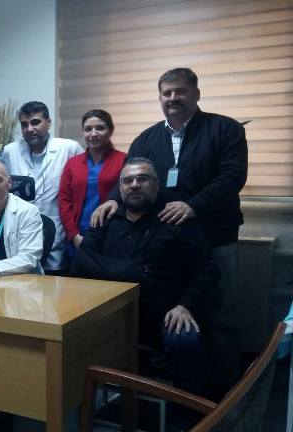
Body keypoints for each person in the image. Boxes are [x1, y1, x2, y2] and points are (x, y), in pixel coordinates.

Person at [91, 68, 247, 398]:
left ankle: (227, 391)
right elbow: (131, 177)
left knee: (220, 312)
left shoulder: (225, 129)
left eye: (180, 91)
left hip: (214, 235)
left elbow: (233, 177)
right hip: (165, 240)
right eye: (167, 93)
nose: (173, 98)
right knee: (175, 309)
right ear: (160, 97)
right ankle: (186, 388)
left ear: (196, 94)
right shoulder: (146, 139)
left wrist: (193, 206)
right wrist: (111, 200)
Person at [73, 159, 218, 397]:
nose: (134, 185)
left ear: (156, 184)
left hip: (165, 312)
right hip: (108, 312)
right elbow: (81, 262)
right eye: (128, 180)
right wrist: (137, 271)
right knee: (69, 337)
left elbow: (206, 270)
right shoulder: (107, 218)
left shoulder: (176, 218)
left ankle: (190, 411)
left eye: (142, 179)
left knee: (185, 341)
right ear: (120, 188)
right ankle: (84, 405)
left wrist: (185, 306)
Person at [1, 101, 84, 274]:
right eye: (24, 124)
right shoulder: (10, 151)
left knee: (55, 283)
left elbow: (83, 189)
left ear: (49, 122)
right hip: (20, 233)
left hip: (57, 232)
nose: (29, 129)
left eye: (35, 122)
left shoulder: (69, 148)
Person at [58, 109, 126, 259]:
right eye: (88, 129)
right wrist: (74, 235)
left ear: (111, 130)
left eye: (100, 128)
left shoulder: (124, 160)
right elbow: (64, 201)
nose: (93, 134)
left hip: (111, 237)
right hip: (78, 237)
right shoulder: (73, 164)